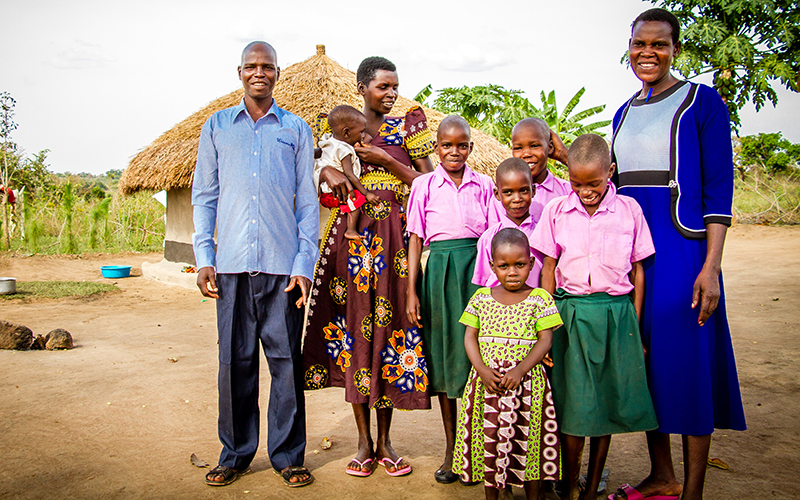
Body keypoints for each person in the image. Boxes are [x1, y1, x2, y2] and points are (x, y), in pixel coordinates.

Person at [609, 8, 746, 500]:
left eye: (660, 44)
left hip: (683, 251)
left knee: (685, 363)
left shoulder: (701, 102)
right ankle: (662, 474)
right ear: (629, 47)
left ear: (675, 49)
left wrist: (711, 267)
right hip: (634, 257)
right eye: (640, 44)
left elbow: (717, 189)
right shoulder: (622, 112)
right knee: (645, 364)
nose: (648, 52)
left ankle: (692, 490)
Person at [192, 41, 318, 488]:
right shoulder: (217, 127)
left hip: (283, 271)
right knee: (234, 362)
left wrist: (304, 264)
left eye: (267, 66)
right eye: (251, 66)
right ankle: (235, 453)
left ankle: (288, 456)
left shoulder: (296, 130)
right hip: (230, 267)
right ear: (239, 72)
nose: (258, 72)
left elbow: (308, 203)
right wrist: (203, 256)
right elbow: (205, 196)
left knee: (286, 363)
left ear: (278, 73)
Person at [302, 56, 435, 478]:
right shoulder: (339, 132)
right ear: (361, 87)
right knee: (355, 331)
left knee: (391, 334)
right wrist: (324, 167)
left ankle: (386, 441)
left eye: (395, 86)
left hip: (396, 241)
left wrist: (385, 160)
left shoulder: (408, 128)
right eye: (382, 86)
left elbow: (429, 182)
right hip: (353, 242)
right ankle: (362, 443)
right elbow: (316, 173)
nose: (391, 93)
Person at [532, 134, 658, 500]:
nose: (585, 192)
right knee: (573, 404)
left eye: (594, 183)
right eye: (576, 183)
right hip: (570, 314)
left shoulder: (629, 210)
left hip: (615, 315)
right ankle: (569, 484)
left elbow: (638, 271)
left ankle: (592, 484)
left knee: (605, 405)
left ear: (610, 173)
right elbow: (548, 267)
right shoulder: (557, 210)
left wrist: (632, 325)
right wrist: (548, 321)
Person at [405, 115, 496, 484]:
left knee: (476, 357)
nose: (454, 152)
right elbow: (414, 240)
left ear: (471, 147)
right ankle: (452, 450)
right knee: (445, 357)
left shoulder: (485, 184)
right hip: (439, 275)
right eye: (446, 145)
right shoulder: (424, 186)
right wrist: (412, 290)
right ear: (436, 148)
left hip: (475, 274)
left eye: (462, 145)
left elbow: (493, 237)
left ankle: (478, 449)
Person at [454, 227, 563, 500]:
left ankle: (532, 495)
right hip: (488, 387)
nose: (512, 272)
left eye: (519, 265)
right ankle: (495, 494)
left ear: (531, 264)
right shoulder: (480, 299)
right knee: (490, 442)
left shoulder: (540, 299)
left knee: (528, 445)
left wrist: (520, 369)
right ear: (492, 266)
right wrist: (481, 370)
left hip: (528, 387)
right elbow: (470, 337)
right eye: (503, 266)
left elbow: (545, 340)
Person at [473, 157, 539, 289]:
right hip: (499, 308)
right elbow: (483, 284)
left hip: (535, 307)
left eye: (524, 191)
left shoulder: (542, 233)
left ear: (533, 191)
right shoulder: (488, 239)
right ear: (497, 194)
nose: (517, 199)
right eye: (508, 192)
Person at [316, 105, 379, 240]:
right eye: (362, 132)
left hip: (324, 193)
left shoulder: (328, 141)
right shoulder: (344, 151)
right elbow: (350, 175)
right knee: (357, 199)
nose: (363, 136)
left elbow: (316, 153)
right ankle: (350, 230)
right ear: (346, 133)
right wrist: (366, 194)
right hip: (335, 194)